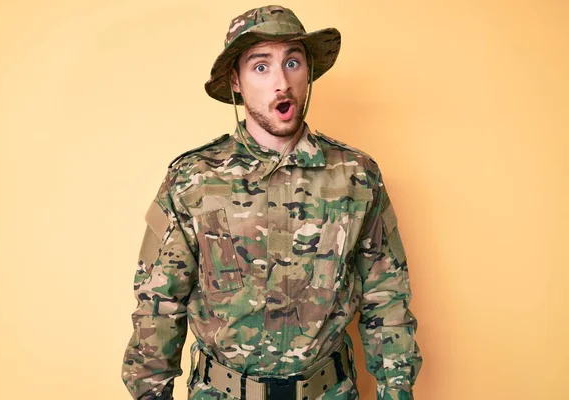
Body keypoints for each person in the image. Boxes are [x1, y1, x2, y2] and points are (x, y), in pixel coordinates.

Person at [122, 5, 422, 400]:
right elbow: (158, 303)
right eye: (261, 67)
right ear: (236, 80)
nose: (281, 82)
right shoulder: (192, 179)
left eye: (292, 62)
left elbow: (387, 298)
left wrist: (396, 391)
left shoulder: (355, 175)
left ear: (308, 73)